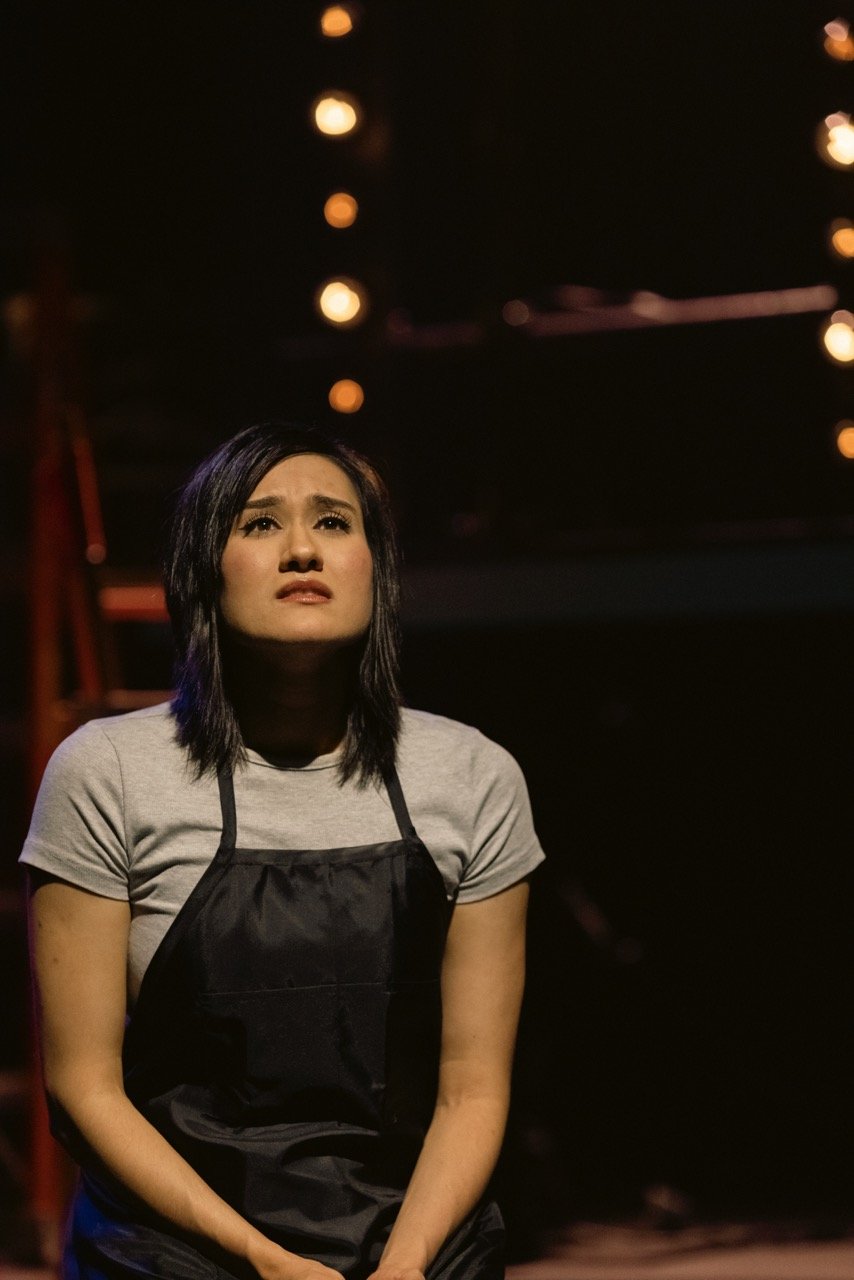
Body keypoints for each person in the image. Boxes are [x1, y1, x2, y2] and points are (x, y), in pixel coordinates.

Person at [22, 421, 545, 1280]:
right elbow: (83, 1088)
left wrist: (405, 1266)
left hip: (406, 1244)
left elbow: (472, 1088)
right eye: (260, 523)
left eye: (334, 522)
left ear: (376, 567)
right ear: (202, 569)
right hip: (179, 1249)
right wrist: (262, 1261)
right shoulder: (106, 773)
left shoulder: (472, 776)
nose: (303, 549)